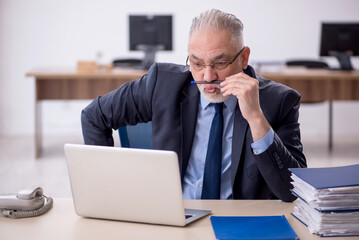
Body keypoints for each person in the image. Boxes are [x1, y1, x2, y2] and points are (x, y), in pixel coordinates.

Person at [81, 9, 306, 202]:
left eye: (220, 63)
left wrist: (257, 119)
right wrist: (107, 189)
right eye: (197, 63)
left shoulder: (279, 101)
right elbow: (94, 116)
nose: (208, 77)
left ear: (244, 58)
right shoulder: (163, 83)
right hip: (172, 216)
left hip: (238, 219)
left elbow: (293, 191)